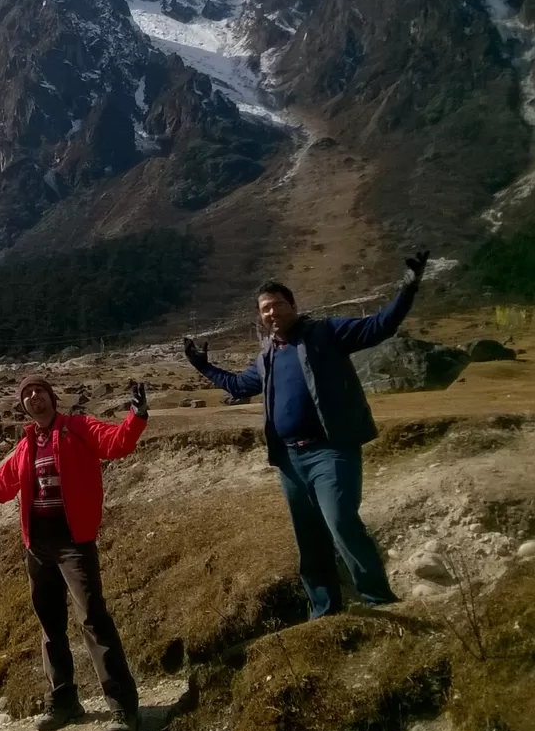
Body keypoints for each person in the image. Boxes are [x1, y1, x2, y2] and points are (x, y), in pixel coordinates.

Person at [181, 251, 430, 620]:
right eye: (265, 308)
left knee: (342, 521)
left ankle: (378, 598)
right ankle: (323, 609)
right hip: (289, 460)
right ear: (260, 317)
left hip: (330, 451)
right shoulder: (266, 357)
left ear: (293, 306)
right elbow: (237, 384)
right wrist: (203, 366)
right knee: (309, 536)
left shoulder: (326, 333)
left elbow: (380, 326)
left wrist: (408, 287)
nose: (272, 312)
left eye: (278, 304)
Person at [0, 375, 149, 731]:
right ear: (23, 405)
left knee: (93, 619)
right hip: (38, 547)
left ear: (52, 398)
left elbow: (116, 443)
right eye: (27, 394)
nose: (33, 398)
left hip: (74, 543)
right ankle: (63, 702)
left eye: (39, 392)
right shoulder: (25, 447)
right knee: (50, 626)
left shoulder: (78, 428)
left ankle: (124, 708)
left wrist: (136, 417)